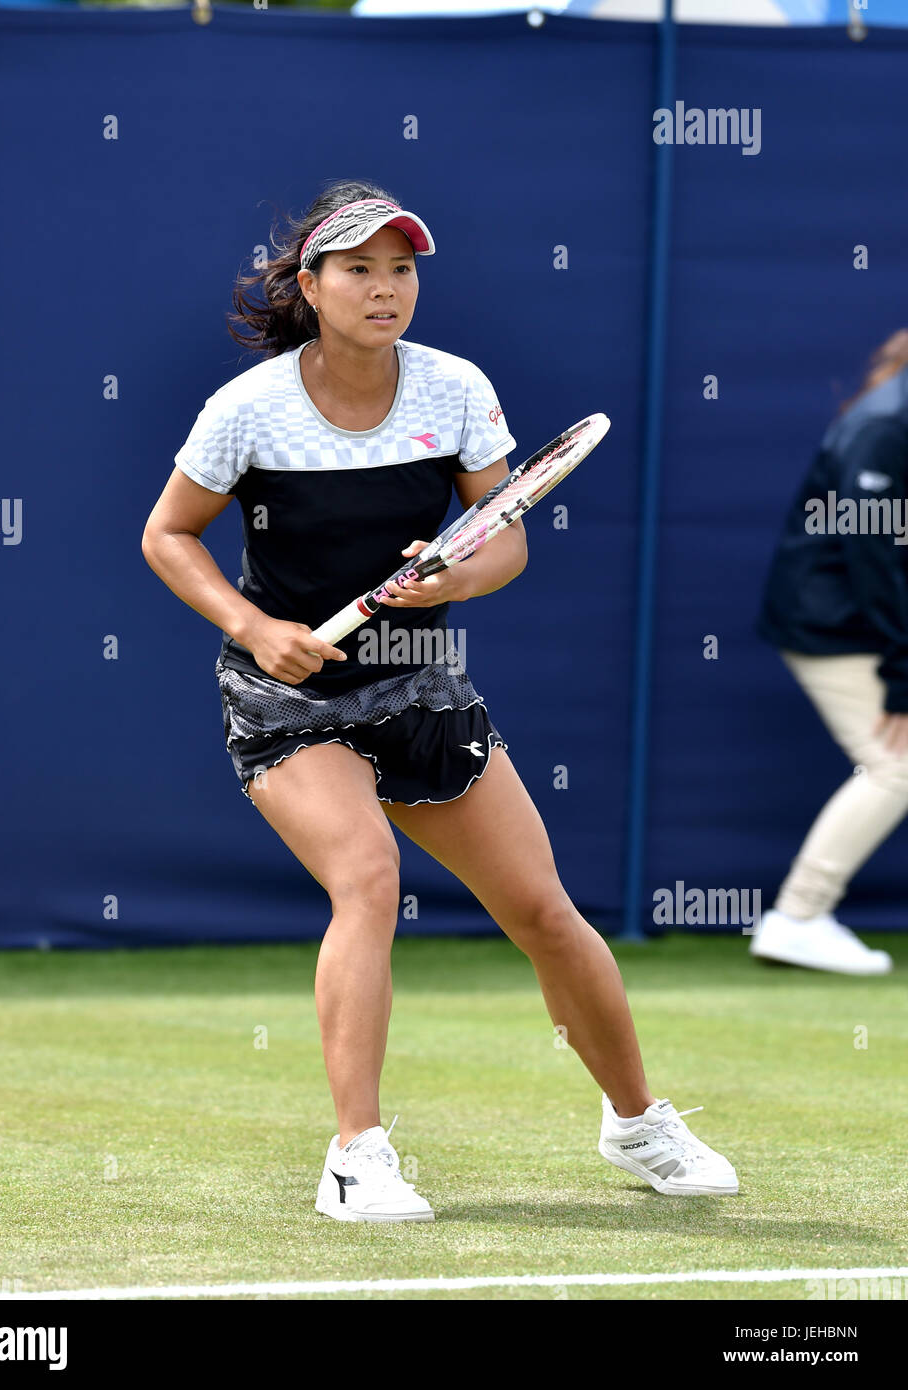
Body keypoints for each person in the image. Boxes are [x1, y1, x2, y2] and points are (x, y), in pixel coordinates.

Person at [141, 178, 737, 1221]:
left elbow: (500, 532)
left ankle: (636, 1120)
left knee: (544, 913)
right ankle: (355, 1157)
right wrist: (249, 626)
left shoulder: (454, 388)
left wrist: (455, 577)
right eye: (359, 269)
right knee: (366, 876)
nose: (385, 289)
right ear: (310, 285)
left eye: (401, 269)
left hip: (420, 681)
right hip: (290, 699)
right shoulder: (247, 408)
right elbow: (167, 534)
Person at [753, 330, 908, 975]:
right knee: (899, 768)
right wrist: (904, 671)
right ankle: (800, 916)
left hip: (865, 623)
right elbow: (873, 555)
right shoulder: (885, 425)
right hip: (836, 627)